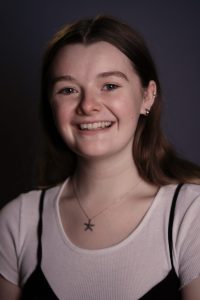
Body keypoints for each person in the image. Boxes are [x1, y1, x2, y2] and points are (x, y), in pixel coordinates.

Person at [0, 15, 200, 300]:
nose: (88, 106)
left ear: (147, 96)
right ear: (50, 104)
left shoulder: (191, 215)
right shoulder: (16, 222)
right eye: (68, 90)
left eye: (109, 85)